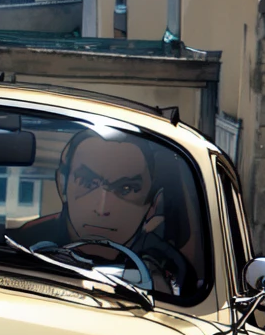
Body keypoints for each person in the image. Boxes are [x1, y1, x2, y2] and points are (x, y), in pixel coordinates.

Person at [12, 128, 196, 298]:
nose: (102, 208)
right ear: (62, 185)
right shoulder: (27, 243)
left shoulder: (170, 266)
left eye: (126, 188)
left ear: (153, 204)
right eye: (86, 182)